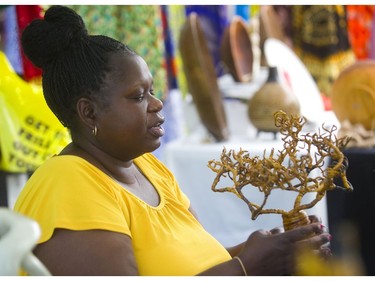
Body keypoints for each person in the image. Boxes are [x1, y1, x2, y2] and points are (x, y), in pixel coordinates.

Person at [13, 5, 331, 276]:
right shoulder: (68, 184)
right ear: (89, 113)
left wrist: (272, 250)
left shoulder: (149, 168)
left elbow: (198, 260)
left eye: (151, 90)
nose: (156, 103)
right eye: (138, 96)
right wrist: (245, 267)